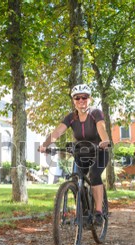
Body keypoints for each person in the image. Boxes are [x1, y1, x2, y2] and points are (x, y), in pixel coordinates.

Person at [38, 84, 110, 225]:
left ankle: (98, 213)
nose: (81, 100)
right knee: (77, 179)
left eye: (84, 97)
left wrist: (105, 140)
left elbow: (101, 127)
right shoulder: (71, 117)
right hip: (81, 152)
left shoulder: (96, 113)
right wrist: (45, 145)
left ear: (90, 99)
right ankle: (82, 212)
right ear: (73, 100)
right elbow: (58, 132)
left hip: (99, 151)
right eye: (77, 98)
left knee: (95, 175)